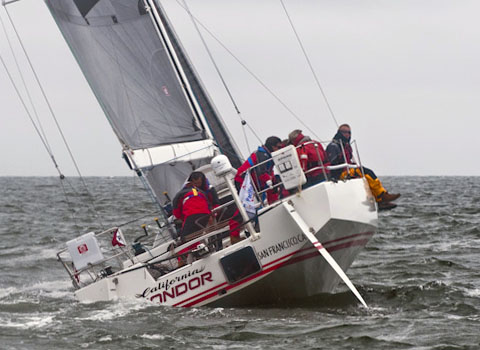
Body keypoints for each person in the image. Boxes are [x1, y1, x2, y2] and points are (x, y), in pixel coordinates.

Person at [326, 124, 400, 210]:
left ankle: (380, 199)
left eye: (349, 133)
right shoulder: (333, 146)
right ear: (339, 133)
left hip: (347, 170)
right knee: (365, 172)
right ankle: (382, 197)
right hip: (339, 174)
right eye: (345, 132)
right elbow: (331, 163)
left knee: (367, 173)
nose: (348, 135)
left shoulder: (346, 145)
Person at [229, 136, 283, 244]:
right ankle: (234, 235)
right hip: (244, 181)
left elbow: (268, 171)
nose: (280, 149)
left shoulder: (267, 155)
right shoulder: (262, 155)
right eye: (278, 147)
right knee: (244, 207)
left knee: (262, 204)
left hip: (256, 183)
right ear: (272, 146)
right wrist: (270, 181)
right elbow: (261, 171)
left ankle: (262, 226)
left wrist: (273, 182)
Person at [172, 171, 219, 263]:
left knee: (185, 239)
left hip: (192, 216)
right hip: (206, 215)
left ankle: (182, 262)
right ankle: (203, 250)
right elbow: (208, 205)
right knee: (196, 235)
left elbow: (176, 213)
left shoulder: (179, 195)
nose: (196, 184)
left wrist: (182, 218)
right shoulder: (201, 192)